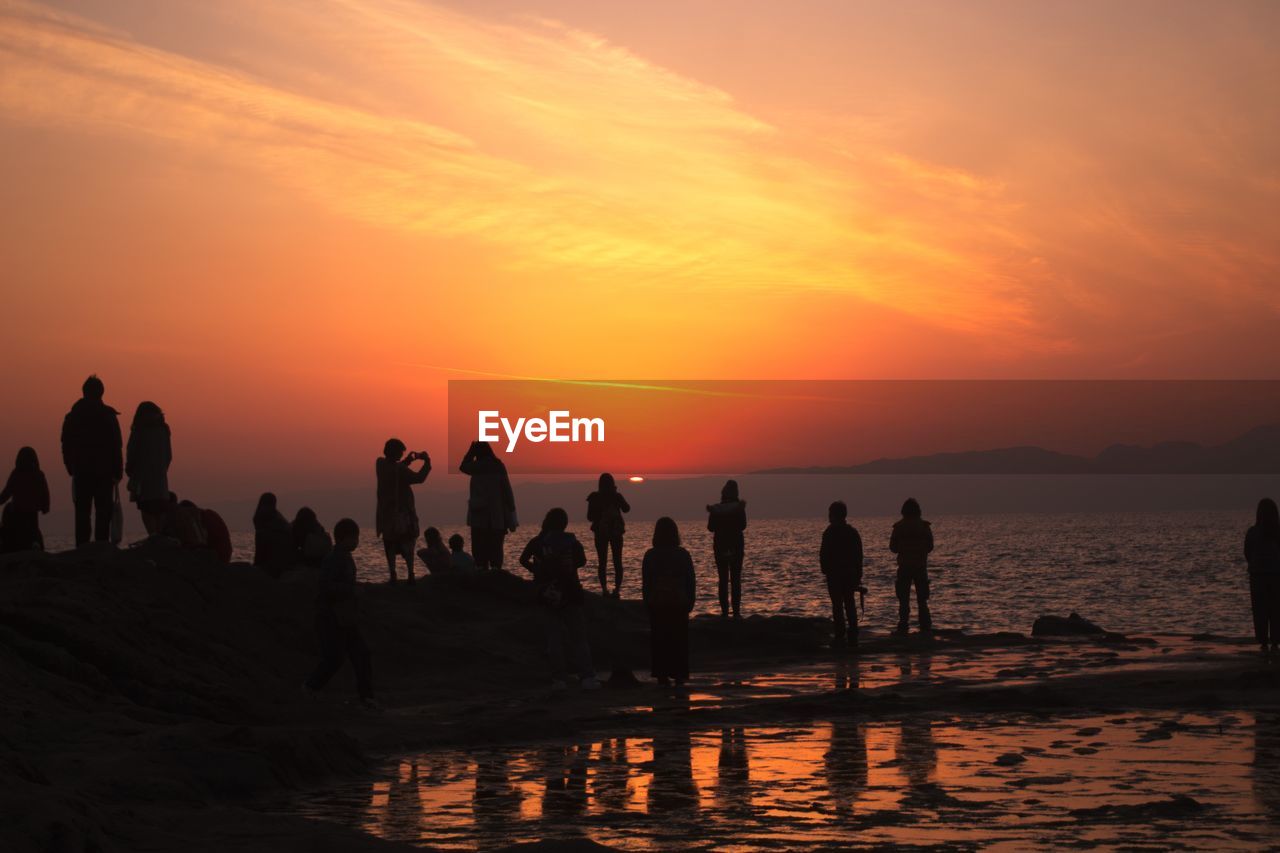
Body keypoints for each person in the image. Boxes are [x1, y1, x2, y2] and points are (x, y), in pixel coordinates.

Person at [519, 507, 598, 690]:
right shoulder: (572, 542)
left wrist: (536, 570)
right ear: (564, 523)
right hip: (570, 591)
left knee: (554, 639)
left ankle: (559, 679)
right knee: (578, 637)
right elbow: (582, 561)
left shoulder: (538, 542)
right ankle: (587, 677)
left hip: (547, 593)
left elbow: (523, 559)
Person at [305, 518, 378, 710]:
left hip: (345, 617)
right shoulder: (334, 559)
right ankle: (310, 688)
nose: (357, 542)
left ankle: (366, 697)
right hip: (332, 617)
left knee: (361, 654)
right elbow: (326, 586)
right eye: (355, 538)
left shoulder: (344, 557)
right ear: (345, 538)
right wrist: (351, 590)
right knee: (335, 658)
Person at [60, 375, 123, 546]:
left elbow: (65, 444)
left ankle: (82, 547)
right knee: (103, 511)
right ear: (101, 392)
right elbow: (116, 445)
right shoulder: (108, 416)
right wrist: (118, 471)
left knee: (82, 512)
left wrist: (70, 467)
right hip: (104, 472)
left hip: (81, 471)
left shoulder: (73, 416)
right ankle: (101, 546)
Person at [641, 517, 696, 687]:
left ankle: (661, 675)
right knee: (679, 640)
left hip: (658, 603)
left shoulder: (650, 555)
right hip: (679, 602)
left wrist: (647, 602)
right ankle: (679, 674)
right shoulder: (683, 554)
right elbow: (690, 580)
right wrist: (690, 601)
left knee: (659, 640)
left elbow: (647, 582)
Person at [375, 439, 431, 583]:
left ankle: (393, 574)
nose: (402, 453)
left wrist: (406, 462)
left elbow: (394, 469)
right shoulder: (400, 470)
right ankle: (410, 574)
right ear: (396, 452)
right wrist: (427, 462)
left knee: (389, 544)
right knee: (408, 543)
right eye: (401, 451)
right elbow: (419, 478)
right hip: (403, 513)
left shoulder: (380, 464)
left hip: (385, 513)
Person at [460, 440, 516, 571]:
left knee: (479, 549)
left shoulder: (476, 466)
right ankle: (496, 572)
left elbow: (463, 467)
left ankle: (482, 571)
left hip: (479, 514)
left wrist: (470, 452)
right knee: (496, 547)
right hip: (497, 515)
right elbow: (507, 489)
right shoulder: (498, 466)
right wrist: (511, 509)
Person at [820, 500, 864, 648]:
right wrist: (858, 573)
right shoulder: (852, 532)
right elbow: (859, 555)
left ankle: (840, 635)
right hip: (849, 573)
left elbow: (824, 554)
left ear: (832, 515)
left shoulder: (829, 532)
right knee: (849, 603)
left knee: (837, 605)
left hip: (834, 574)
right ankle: (853, 634)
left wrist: (825, 569)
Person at [125, 401, 172, 536]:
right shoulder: (164, 430)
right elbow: (169, 456)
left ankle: (153, 538)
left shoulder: (139, 430)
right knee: (159, 512)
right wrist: (162, 470)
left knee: (147, 511)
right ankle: (159, 539)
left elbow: (131, 452)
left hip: (143, 481)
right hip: (161, 481)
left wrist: (130, 470)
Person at [889, 497, 934, 635]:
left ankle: (903, 625)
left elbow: (893, 548)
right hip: (920, 566)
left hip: (904, 566)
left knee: (903, 599)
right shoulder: (924, 527)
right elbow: (930, 546)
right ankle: (925, 626)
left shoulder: (899, 527)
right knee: (922, 599)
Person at [1244, 498, 1280, 657]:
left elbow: (1247, 553)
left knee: (1260, 610)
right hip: (1276, 575)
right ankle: (1276, 641)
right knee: (1276, 609)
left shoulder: (1252, 532)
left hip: (1257, 576)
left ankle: (1263, 641)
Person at [706, 479, 747, 618]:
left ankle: (724, 612)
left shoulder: (716, 509)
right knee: (735, 579)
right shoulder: (739, 508)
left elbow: (710, 528)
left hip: (720, 546)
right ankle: (736, 612)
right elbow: (743, 526)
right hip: (736, 546)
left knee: (722, 579)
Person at [586, 473, 631, 598]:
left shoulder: (594, 497)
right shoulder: (616, 496)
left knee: (602, 562)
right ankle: (616, 590)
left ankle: (605, 590)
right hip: (616, 532)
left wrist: (599, 514)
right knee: (618, 561)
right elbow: (627, 509)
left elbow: (589, 517)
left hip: (600, 532)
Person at [0, 447, 50, 553]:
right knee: (34, 532)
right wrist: (45, 507)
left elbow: (6, 493)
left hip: (17, 513)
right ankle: (35, 545)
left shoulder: (16, 473)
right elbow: (45, 495)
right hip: (32, 515)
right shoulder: (39, 475)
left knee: (7, 510)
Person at [253, 492, 294, 575]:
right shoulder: (279, 520)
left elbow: (260, 554)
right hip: (285, 565)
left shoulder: (267, 525)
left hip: (275, 567)